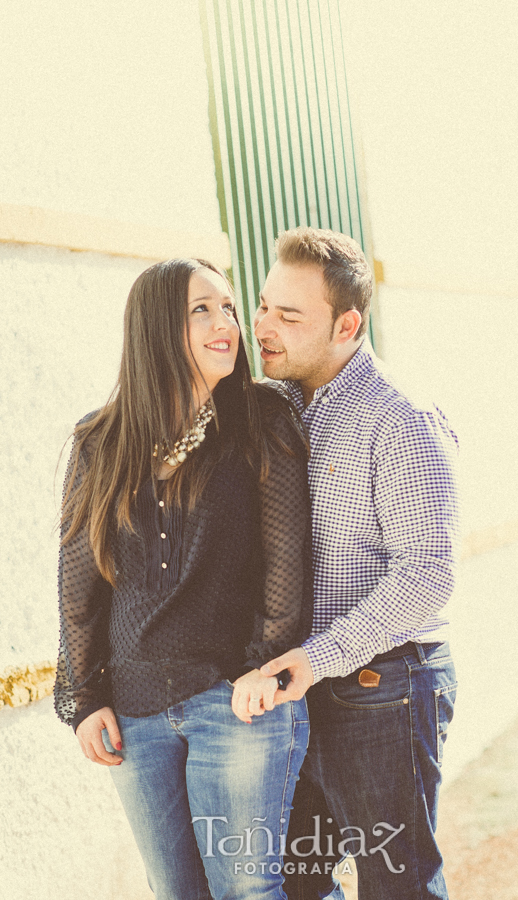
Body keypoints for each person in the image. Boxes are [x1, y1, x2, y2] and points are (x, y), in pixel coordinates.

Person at [54, 258, 312, 900]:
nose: (227, 323)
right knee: (174, 891)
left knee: (247, 890)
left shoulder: (260, 422)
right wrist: (85, 698)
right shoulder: (100, 441)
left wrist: (265, 667)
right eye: (203, 309)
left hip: (237, 701)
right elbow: (78, 581)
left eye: (229, 308)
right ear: (155, 327)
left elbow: (287, 562)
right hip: (134, 715)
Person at [253, 228, 460, 900]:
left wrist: (317, 657)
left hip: (383, 688)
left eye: (289, 316)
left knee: (395, 885)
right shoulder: (275, 406)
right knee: (294, 883)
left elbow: (426, 573)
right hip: (294, 694)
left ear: (348, 323)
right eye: (262, 306)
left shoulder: (401, 420)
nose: (263, 328)